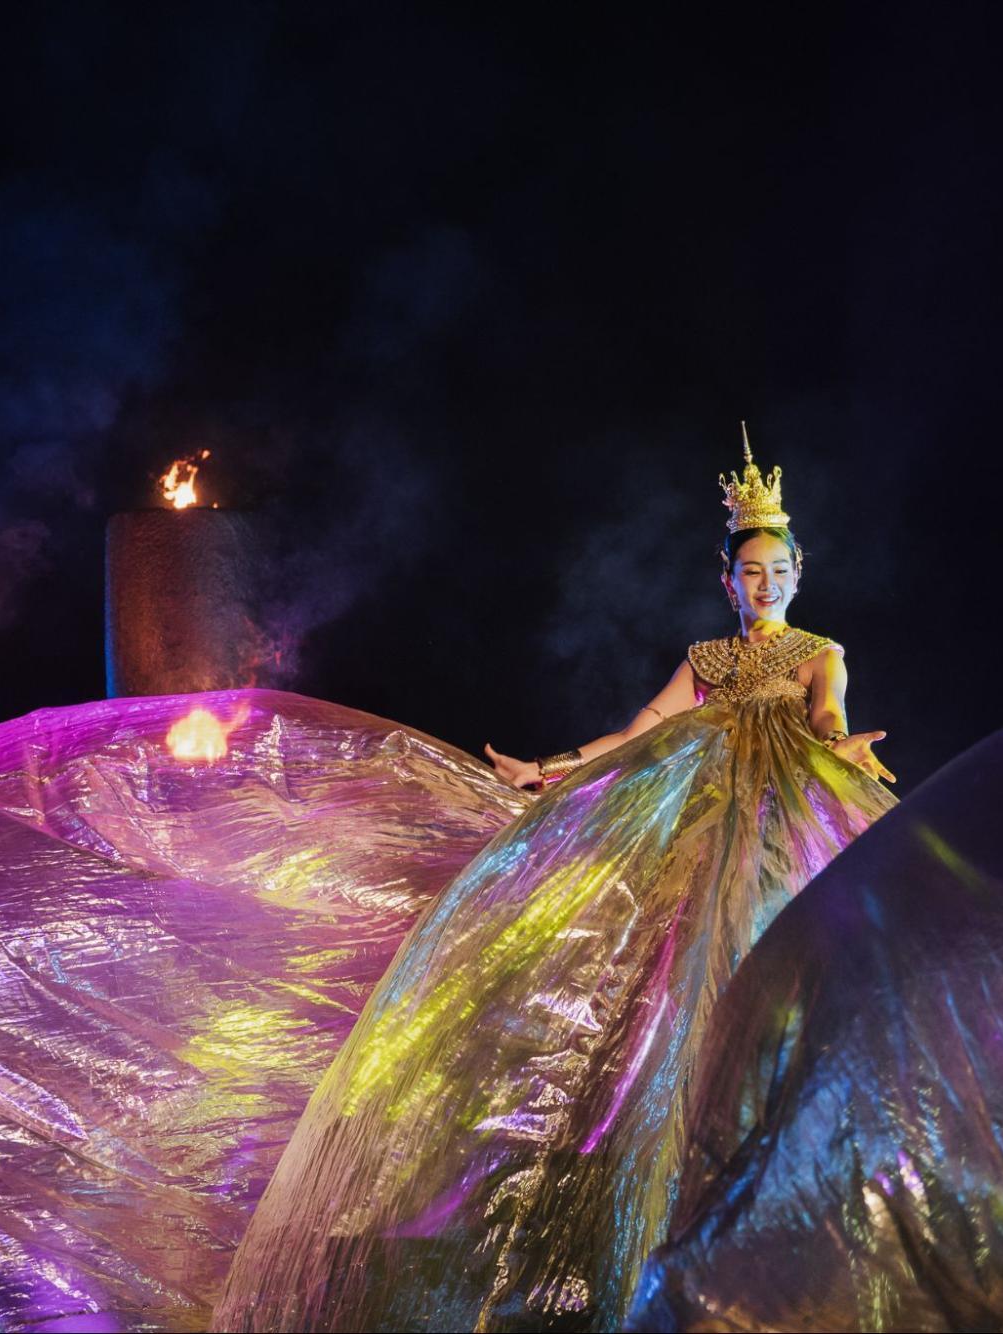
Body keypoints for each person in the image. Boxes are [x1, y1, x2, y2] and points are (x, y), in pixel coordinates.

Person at [215, 436, 898, 1332]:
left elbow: (827, 716)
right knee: (664, 993)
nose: (763, 584)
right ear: (725, 581)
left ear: (798, 573)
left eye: (777, 569)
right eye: (749, 572)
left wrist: (837, 746)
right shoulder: (706, 661)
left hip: (773, 825)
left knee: (779, 971)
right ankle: (663, 1203)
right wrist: (546, 767)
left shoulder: (819, 650)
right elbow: (640, 729)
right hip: (693, 830)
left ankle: (781, 1193)